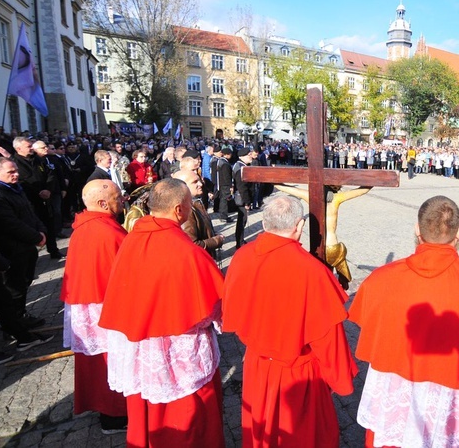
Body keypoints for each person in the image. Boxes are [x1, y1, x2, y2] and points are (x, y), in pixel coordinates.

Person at [349, 195, 459, 448]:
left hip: (395, 390)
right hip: (454, 394)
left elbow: (365, 324)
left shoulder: (380, 279)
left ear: (417, 230)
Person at [222, 194, 357, 447]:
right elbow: (329, 337)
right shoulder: (313, 272)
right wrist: (340, 379)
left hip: (257, 364)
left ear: (263, 224)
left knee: (262, 430)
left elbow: (232, 309)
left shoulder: (241, 257)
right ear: (299, 226)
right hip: (299, 374)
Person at [98, 179, 225, 447]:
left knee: (147, 409)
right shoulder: (188, 252)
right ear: (179, 209)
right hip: (177, 346)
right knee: (187, 412)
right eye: (191, 204)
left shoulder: (131, 239)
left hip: (140, 344)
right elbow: (214, 307)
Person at [60, 179, 128, 433]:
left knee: (97, 361)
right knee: (110, 361)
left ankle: (106, 409)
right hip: (103, 306)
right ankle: (114, 414)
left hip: (89, 302)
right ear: (102, 203)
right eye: (117, 197)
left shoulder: (88, 225)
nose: (122, 199)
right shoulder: (106, 232)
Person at [0, 157, 48, 327]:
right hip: (11, 248)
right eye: (11, 172)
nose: (16, 174)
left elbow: (29, 211)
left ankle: (20, 315)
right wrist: (37, 237)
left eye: (16, 170)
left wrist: (41, 230)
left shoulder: (14, 187)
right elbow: (9, 223)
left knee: (24, 283)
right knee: (14, 288)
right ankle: (16, 320)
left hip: (25, 245)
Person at [275, 184, 370, 290]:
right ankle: (341, 285)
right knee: (340, 279)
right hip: (333, 246)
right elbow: (362, 190)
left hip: (318, 248)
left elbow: (290, 189)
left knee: (323, 281)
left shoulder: (310, 196)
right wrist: (375, 179)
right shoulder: (336, 199)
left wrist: (271, 179)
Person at [172, 170, 224, 259]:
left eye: (199, 180)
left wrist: (213, 234)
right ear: (182, 187)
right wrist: (217, 240)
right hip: (198, 262)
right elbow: (192, 244)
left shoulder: (194, 203)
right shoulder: (185, 210)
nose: (200, 184)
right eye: (195, 182)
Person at [232, 147, 256, 248]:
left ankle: (240, 240)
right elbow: (242, 188)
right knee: (242, 222)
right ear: (242, 157)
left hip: (243, 198)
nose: (251, 157)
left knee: (242, 221)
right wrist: (247, 202)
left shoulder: (241, 165)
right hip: (242, 199)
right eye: (249, 155)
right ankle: (239, 243)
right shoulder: (241, 168)